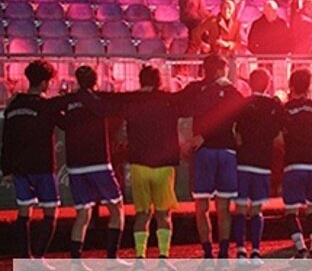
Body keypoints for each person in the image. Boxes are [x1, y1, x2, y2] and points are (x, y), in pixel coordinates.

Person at [101, 65, 189, 260]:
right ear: (158, 81)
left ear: (140, 80)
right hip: (164, 166)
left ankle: (140, 255)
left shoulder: (132, 102)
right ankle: (164, 255)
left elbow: (114, 111)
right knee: (163, 214)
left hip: (139, 165)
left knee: (142, 214)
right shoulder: (169, 101)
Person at [180, 54, 247, 259]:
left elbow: (182, 111)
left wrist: (189, 138)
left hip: (204, 151)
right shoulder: (231, 91)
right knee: (223, 207)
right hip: (226, 151)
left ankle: (208, 252)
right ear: (220, 70)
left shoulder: (195, 89)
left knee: (202, 206)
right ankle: (223, 252)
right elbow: (238, 114)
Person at [57, 65, 124, 259]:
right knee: (116, 209)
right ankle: (112, 257)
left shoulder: (69, 101)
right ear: (95, 81)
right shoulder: (98, 100)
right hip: (98, 162)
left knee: (82, 214)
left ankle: (76, 261)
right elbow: (112, 111)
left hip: (75, 165)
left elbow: (60, 121)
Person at [2, 61, 62, 258]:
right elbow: (65, 123)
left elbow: (7, 139)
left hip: (20, 167)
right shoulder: (46, 106)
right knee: (51, 212)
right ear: (44, 83)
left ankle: (24, 256)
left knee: (23, 211)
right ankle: (38, 256)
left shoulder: (14, 105)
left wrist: (6, 169)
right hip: (43, 166)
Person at [233, 68, 284, 261]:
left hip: (243, 161)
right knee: (257, 208)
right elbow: (278, 139)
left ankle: (240, 249)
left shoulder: (242, 105)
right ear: (268, 84)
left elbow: (236, 134)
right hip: (262, 163)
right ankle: (255, 250)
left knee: (239, 207)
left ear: (249, 83)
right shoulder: (274, 106)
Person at [281, 68, 312, 258]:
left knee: (291, 210)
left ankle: (301, 249)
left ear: (291, 86)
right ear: (310, 86)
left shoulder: (285, 109)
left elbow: (278, 138)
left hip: (294, 162)